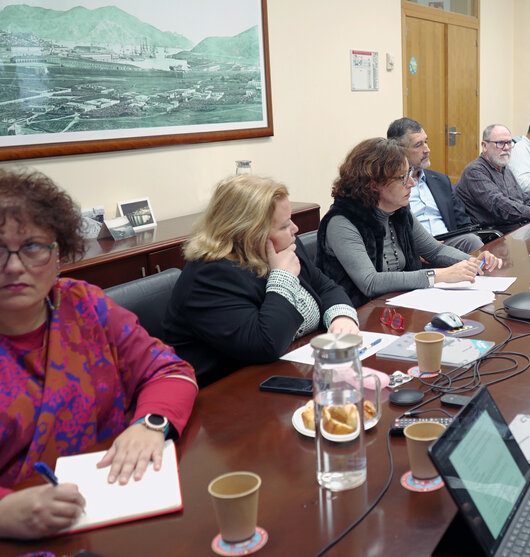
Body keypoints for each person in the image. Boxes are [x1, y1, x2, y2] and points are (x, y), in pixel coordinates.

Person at [0, 168, 197, 540]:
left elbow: (170, 371)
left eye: (32, 247)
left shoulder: (85, 305)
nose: (13, 266)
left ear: (58, 254)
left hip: (117, 504)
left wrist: (151, 423)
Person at [163, 175, 359, 386]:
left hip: (288, 372)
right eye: (284, 226)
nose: (295, 229)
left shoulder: (282, 247)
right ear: (251, 233)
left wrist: (341, 317)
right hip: (228, 394)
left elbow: (325, 286)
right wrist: (283, 277)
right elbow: (265, 344)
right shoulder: (210, 276)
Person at [317, 138, 502, 307]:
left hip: (400, 304)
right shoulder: (342, 222)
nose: (412, 183)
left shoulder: (398, 211)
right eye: (403, 178)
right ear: (374, 185)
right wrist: (439, 275)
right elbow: (370, 282)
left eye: (410, 174)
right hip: (359, 314)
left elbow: (435, 250)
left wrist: (473, 262)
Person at [386, 117, 484, 253]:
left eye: (426, 142)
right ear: (399, 150)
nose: (427, 149)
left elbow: (464, 223)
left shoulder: (440, 180)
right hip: (416, 250)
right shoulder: (391, 186)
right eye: (418, 145)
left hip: (449, 244)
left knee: (472, 241)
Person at [455, 124, 530, 232]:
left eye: (509, 142)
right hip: (494, 235)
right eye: (500, 143)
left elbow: (524, 198)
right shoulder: (475, 171)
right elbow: (498, 205)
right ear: (484, 146)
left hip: (518, 229)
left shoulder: (505, 169)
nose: (507, 148)